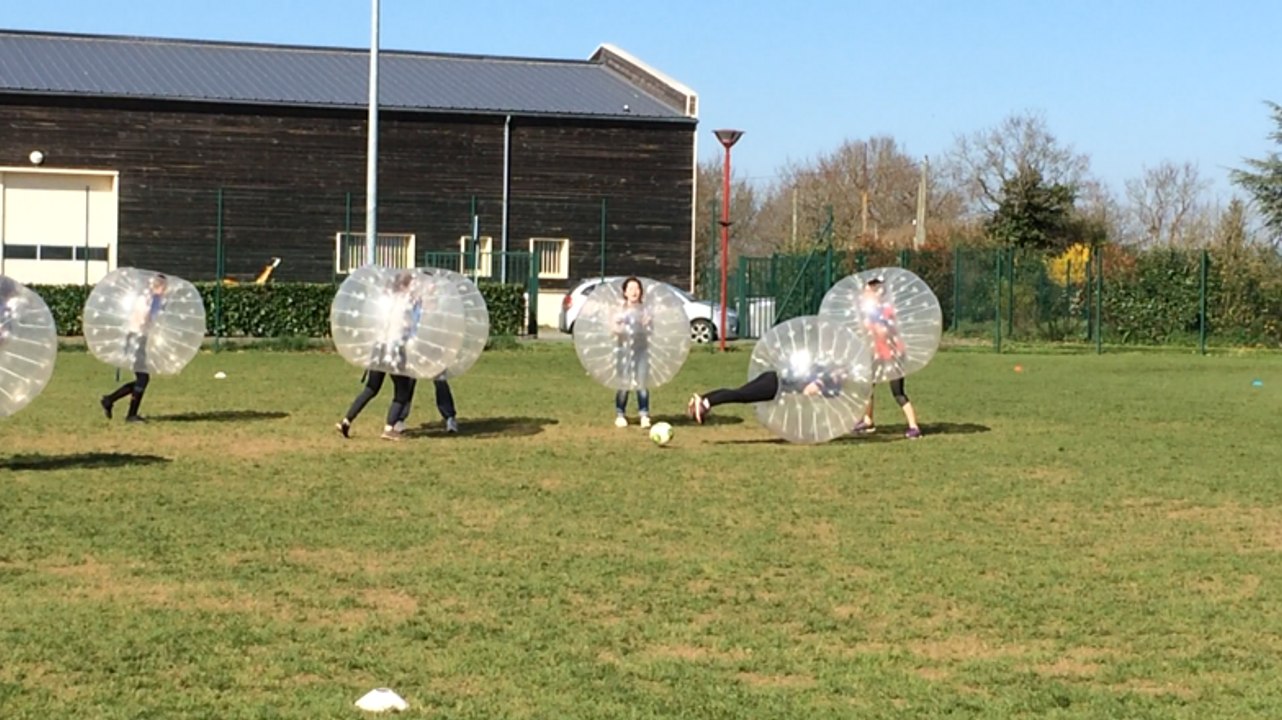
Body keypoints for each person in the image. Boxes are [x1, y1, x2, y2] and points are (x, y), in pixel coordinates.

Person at [852, 277, 922, 439]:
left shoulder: (886, 311)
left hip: (893, 355)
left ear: (877, 292)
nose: (865, 293)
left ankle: (914, 427)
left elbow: (885, 333)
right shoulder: (869, 312)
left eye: (868, 290)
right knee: (867, 387)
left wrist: (875, 324)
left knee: (897, 392)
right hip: (877, 354)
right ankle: (868, 421)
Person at [687, 361, 848, 424]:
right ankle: (706, 402)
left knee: (740, 392)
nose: (844, 377)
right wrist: (818, 388)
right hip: (773, 386)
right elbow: (807, 391)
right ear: (835, 371)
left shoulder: (823, 375)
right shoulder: (822, 378)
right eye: (842, 374)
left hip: (772, 377)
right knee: (741, 395)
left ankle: (703, 399)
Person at [101, 272, 167, 422]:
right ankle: (129, 414)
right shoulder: (146, 300)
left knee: (141, 378)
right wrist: (153, 320)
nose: (165, 291)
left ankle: (110, 400)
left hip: (138, 339)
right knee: (143, 378)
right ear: (158, 286)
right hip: (135, 340)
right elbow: (142, 320)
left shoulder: (149, 299)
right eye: (164, 288)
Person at [336, 372, 459, 438]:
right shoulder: (402, 325)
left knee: (370, 389)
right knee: (402, 393)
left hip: (378, 354)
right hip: (393, 356)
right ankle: (389, 428)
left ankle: (346, 421)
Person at [612, 276, 654, 428]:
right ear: (624, 292)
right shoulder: (620, 311)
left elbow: (650, 332)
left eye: (637, 288)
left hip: (641, 350)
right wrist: (620, 326)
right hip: (623, 351)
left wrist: (647, 325)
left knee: (642, 383)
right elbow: (614, 330)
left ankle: (644, 414)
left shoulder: (645, 311)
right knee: (624, 384)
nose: (634, 292)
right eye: (630, 288)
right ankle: (620, 414)